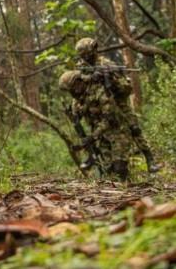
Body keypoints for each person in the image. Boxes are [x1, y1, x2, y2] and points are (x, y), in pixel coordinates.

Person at [59, 38, 160, 180]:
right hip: (94, 105)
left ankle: (149, 159)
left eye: (88, 53)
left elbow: (126, 89)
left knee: (134, 128)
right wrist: (92, 77)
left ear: (94, 50)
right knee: (97, 138)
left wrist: (109, 79)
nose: (86, 57)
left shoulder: (106, 64)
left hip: (116, 101)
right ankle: (95, 161)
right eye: (83, 55)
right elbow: (78, 85)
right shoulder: (80, 69)